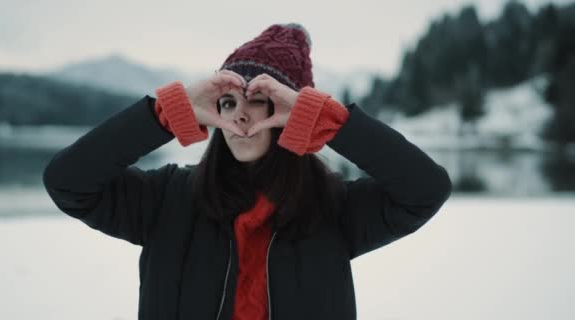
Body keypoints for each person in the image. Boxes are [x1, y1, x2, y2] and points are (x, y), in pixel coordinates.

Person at [42, 23, 452, 320]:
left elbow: (425, 189)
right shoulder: (166, 198)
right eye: (227, 101)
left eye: (259, 99)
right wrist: (167, 113)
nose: (239, 115)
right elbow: (68, 182)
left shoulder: (333, 208)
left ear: (293, 115)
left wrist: (327, 121)